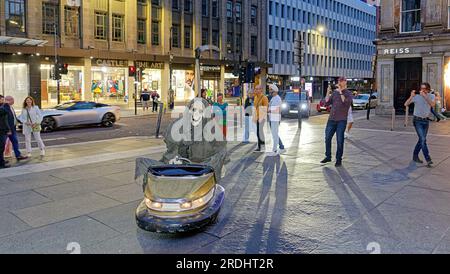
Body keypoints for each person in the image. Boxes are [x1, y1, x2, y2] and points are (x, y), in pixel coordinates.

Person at [321, 77, 353, 167]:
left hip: (341, 120)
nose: (339, 82)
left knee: (340, 140)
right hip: (331, 119)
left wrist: (340, 91)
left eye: (341, 81)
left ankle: (339, 159)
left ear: (345, 82)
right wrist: (328, 91)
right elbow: (326, 103)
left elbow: (345, 103)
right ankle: (328, 156)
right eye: (339, 81)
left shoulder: (348, 94)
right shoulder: (334, 93)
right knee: (327, 138)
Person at [405, 83, 436, 168]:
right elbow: (406, 104)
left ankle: (415, 156)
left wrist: (425, 96)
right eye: (421, 88)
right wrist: (411, 96)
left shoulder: (431, 96)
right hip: (417, 120)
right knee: (423, 139)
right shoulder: (417, 97)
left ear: (428, 89)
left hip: (425, 121)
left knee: (421, 140)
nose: (423, 90)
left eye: (425, 88)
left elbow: (432, 104)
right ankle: (428, 159)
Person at [3, 96, 28, 161]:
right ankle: (1, 159)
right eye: (13, 100)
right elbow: (4, 120)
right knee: (2, 144)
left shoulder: (10, 107)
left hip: (13, 128)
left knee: (15, 142)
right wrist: (8, 129)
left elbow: (13, 117)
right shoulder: (4, 107)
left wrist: (19, 121)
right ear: (9, 100)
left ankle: (18, 155)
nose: (14, 101)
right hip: (6, 130)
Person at [267, 84, 286, 156]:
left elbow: (277, 109)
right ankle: (281, 147)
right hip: (272, 118)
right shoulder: (273, 98)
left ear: (275, 91)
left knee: (274, 135)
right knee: (275, 134)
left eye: (271, 90)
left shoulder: (277, 98)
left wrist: (268, 110)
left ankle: (274, 150)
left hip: (275, 118)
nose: (270, 92)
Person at [253, 85, 269, 152]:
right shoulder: (255, 97)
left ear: (261, 90)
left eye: (257, 89)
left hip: (261, 118)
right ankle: (262, 144)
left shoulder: (264, 98)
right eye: (255, 89)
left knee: (259, 132)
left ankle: (260, 146)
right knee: (259, 132)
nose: (256, 90)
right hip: (257, 117)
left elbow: (266, 108)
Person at [0, 95, 11, 168]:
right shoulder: (2, 108)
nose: (3, 100)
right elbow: (6, 113)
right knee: (1, 148)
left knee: (1, 147)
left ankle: (2, 160)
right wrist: (6, 104)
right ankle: (1, 163)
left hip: (3, 130)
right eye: (2, 99)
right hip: (1, 130)